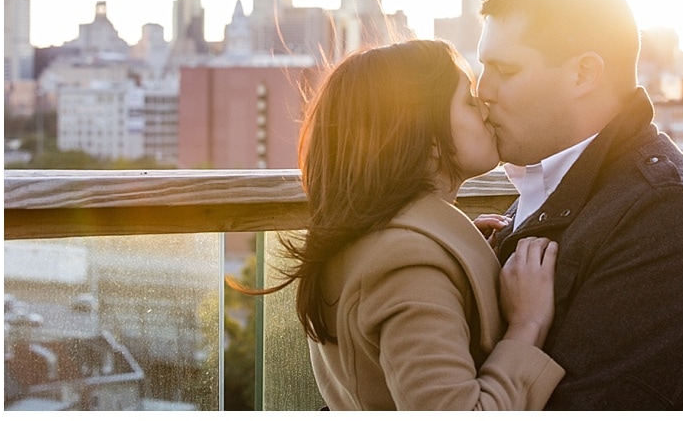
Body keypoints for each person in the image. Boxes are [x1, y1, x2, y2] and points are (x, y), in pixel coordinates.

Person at [476, 0, 683, 410]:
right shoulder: (550, 187)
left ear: (584, 74)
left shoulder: (672, 219)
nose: (481, 90)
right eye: (482, 66)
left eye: (505, 70)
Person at [229, 39, 564, 410]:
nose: (485, 108)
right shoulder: (408, 264)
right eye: (469, 101)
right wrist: (527, 324)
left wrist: (465, 256)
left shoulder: (378, 237)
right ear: (429, 139)